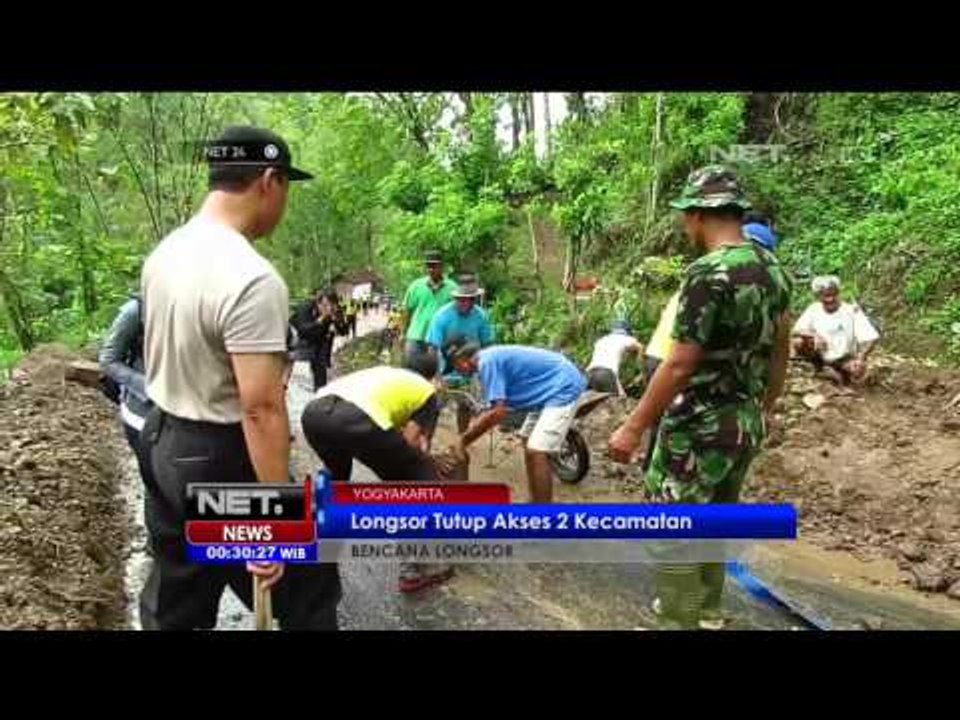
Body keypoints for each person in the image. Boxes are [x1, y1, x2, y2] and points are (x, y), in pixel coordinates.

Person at [138, 125, 341, 630]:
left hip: (163, 440)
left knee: (178, 592)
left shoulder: (165, 253)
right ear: (269, 181)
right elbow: (261, 408)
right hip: (220, 455)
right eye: (287, 188)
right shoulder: (249, 277)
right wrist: (273, 519)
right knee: (307, 581)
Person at [607, 166, 792, 630]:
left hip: (699, 424)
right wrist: (764, 408)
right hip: (744, 422)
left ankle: (678, 619)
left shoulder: (707, 273)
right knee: (717, 516)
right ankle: (708, 610)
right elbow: (780, 352)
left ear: (697, 215)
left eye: (684, 218)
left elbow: (680, 363)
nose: (683, 226)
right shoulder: (774, 269)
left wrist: (633, 426)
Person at [300, 356, 453, 592]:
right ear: (433, 378)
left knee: (337, 476)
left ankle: (309, 540)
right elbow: (412, 442)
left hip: (314, 414)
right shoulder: (427, 392)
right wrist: (429, 462)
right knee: (417, 478)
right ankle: (416, 569)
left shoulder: (386, 374)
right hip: (356, 417)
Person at [444, 340, 586, 503]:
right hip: (546, 392)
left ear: (461, 361)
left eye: (455, 367)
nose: (458, 372)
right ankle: (535, 500)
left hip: (562, 387)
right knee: (528, 440)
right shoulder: (489, 359)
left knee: (536, 450)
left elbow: (498, 412)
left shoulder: (487, 363)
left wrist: (463, 440)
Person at [99, 294, 157, 498]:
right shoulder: (136, 310)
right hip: (141, 413)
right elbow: (108, 360)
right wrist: (147, 387)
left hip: (188, 409)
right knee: (154, 482)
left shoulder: (201, 304)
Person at [425, 273, 496, 431]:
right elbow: (432, 348)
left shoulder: (481, 316)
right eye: (461, 299)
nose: (464, 303)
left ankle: (461, 439)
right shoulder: (441, 316)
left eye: (469, 299)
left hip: (468, 370)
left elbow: (488, 345)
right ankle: (425, 442)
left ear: (474, 299)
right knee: (433, 407)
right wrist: (435, 377)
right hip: (443, 369)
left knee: (465, 406)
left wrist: (487, 374)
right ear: (455, 298)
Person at [792, 275, 879, 385]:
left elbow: (871, 337)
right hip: (819, 355)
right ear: (818, 296)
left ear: (838, 293)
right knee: (799, 342)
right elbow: (796, 330)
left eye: (833, 294)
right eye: (826, 295)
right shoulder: (813, 309)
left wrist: (861, 357)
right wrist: (814, 335)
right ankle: (818, 369)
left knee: (858, 372)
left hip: (843, 358)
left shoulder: (851, 310)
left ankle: (840, 375)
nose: (830, 299)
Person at [401, 250, 457, 371]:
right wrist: (402, 333)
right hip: (416, 337)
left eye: (434, 265)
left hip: (440, 340)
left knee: (437, 375)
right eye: (428, 266)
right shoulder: (416, 286)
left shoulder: (452, 288)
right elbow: (406, 311)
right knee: (413, 373)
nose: (431, 269)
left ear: (441, 266)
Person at [292, 289, 350, 391]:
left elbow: (344, 332)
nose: (328, 308)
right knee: (302, 377)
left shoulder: (335, 310)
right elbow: (302, 330)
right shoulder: (306, 307)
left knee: (321, 379)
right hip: (300, 343)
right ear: (318, 302)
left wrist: (339, 320)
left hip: (320, 344)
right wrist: (321, 319)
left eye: (332, 305)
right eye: (325, 305)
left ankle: (319, 395)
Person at [585, 319, 643, 395]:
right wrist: (641, 367)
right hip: (606, 373)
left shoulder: (602, 340)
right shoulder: (626, 339)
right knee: (619, 402)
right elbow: (640, 347)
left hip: (589, 374)